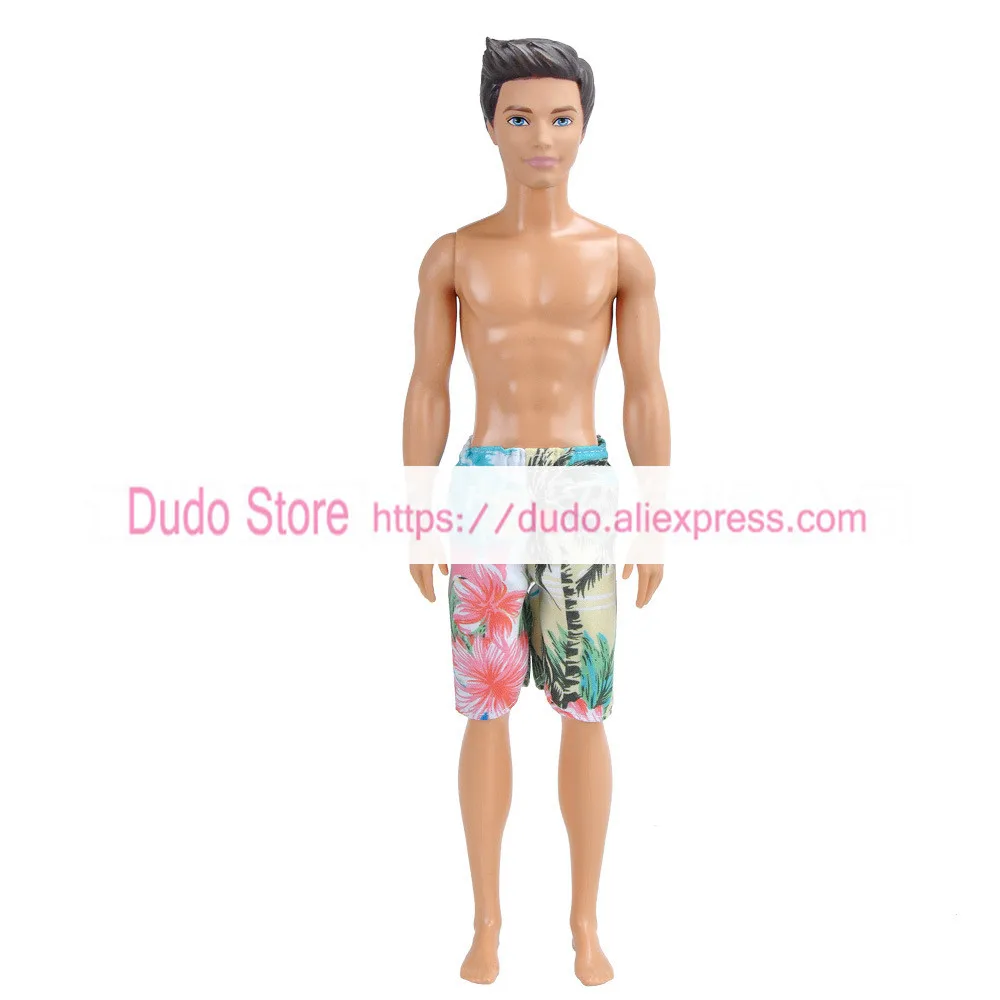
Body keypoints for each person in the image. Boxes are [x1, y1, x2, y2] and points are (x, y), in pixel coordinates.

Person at [402, 36, 670, 986]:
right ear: (490, 126)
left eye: (561, 117)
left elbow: (645, 390)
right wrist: (414, 511)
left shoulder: (618, 256)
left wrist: (658, 513)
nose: (541, 137)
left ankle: (585, 924)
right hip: (483, 484)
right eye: (520, 117)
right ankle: (486, 923)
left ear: (585, 126)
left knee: (584, 707)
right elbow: (427, 387)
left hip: (584, 484)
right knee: (486, 709)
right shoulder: (455, 254)